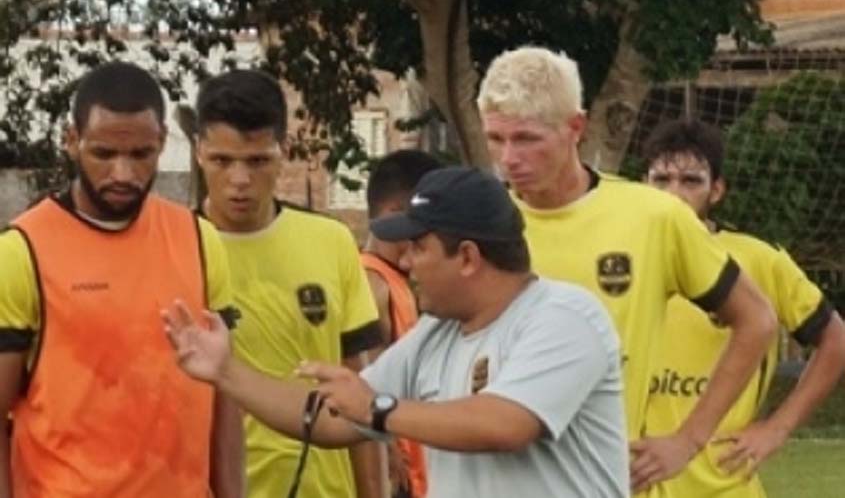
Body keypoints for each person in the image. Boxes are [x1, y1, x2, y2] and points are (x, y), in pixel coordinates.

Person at [162, 167, 631, 498]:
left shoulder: (564, 316)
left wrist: (378, 409)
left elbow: (505, 424)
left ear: (467, 258)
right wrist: (225, 372)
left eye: (418, 248)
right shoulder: (436, 335)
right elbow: (332, 418)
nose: (405, 263)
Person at [476, 46, 778, 493]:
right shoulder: (479, 224)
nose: (508, 158)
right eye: (495, 139)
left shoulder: (651, 217)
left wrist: (689, 440)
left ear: (575, 127)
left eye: (526, 139)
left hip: (603, 483)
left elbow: (757, 320)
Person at [0, 62, 242, 497]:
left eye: (140, 155)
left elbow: (224, 402)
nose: (123, 175)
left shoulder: (199, 240)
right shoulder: (22, 252)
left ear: (162, 142)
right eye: (104, 154)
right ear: (72, 141)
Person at [193, 69, 383, 498]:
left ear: (283, 152)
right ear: (200, 152)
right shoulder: (175, 248)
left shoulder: (331, 241)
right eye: (223, 161)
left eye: (257, 161)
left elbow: (359, 391)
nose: (240, 180)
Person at [641, 118, 845, 498]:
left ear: (716, 190)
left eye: (690, 181)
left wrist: (777, 427)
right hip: (633, 480)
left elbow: (835, 339)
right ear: (643, 186)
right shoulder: (621, 260)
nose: (674, 193)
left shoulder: (758, 261)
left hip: (722, 483)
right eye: (661, 179)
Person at [360, 149, 444, 498]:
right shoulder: (371, 282)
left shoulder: (398, 282)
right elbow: (367, 385)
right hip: (397, 473)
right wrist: (389, 453)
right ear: (394, 216)